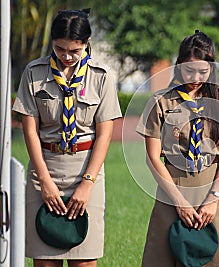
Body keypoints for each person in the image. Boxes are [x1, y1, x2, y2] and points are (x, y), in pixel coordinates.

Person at [12, 8, 121, 267]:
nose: (67, 56)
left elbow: (105, 134)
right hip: (44, 171)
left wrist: (87, 183)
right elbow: (30, 130)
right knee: (45, 260)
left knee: (84, 260)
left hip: (86, 173)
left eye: (75, 50)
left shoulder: (101, 77)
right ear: (52, 42)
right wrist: (44, 181)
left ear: (87, 43)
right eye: (61, 49)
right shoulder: (34, 73)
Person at [136, 30, 219, 266]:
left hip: (213, 193)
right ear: (178, 67)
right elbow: (153, 158)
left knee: (217, 256)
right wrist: (179, 203)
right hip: (172, 190)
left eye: (203, 71)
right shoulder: (161, 101)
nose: (195, 77)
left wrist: (213, 198)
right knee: (167, 256)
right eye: (189, 70)